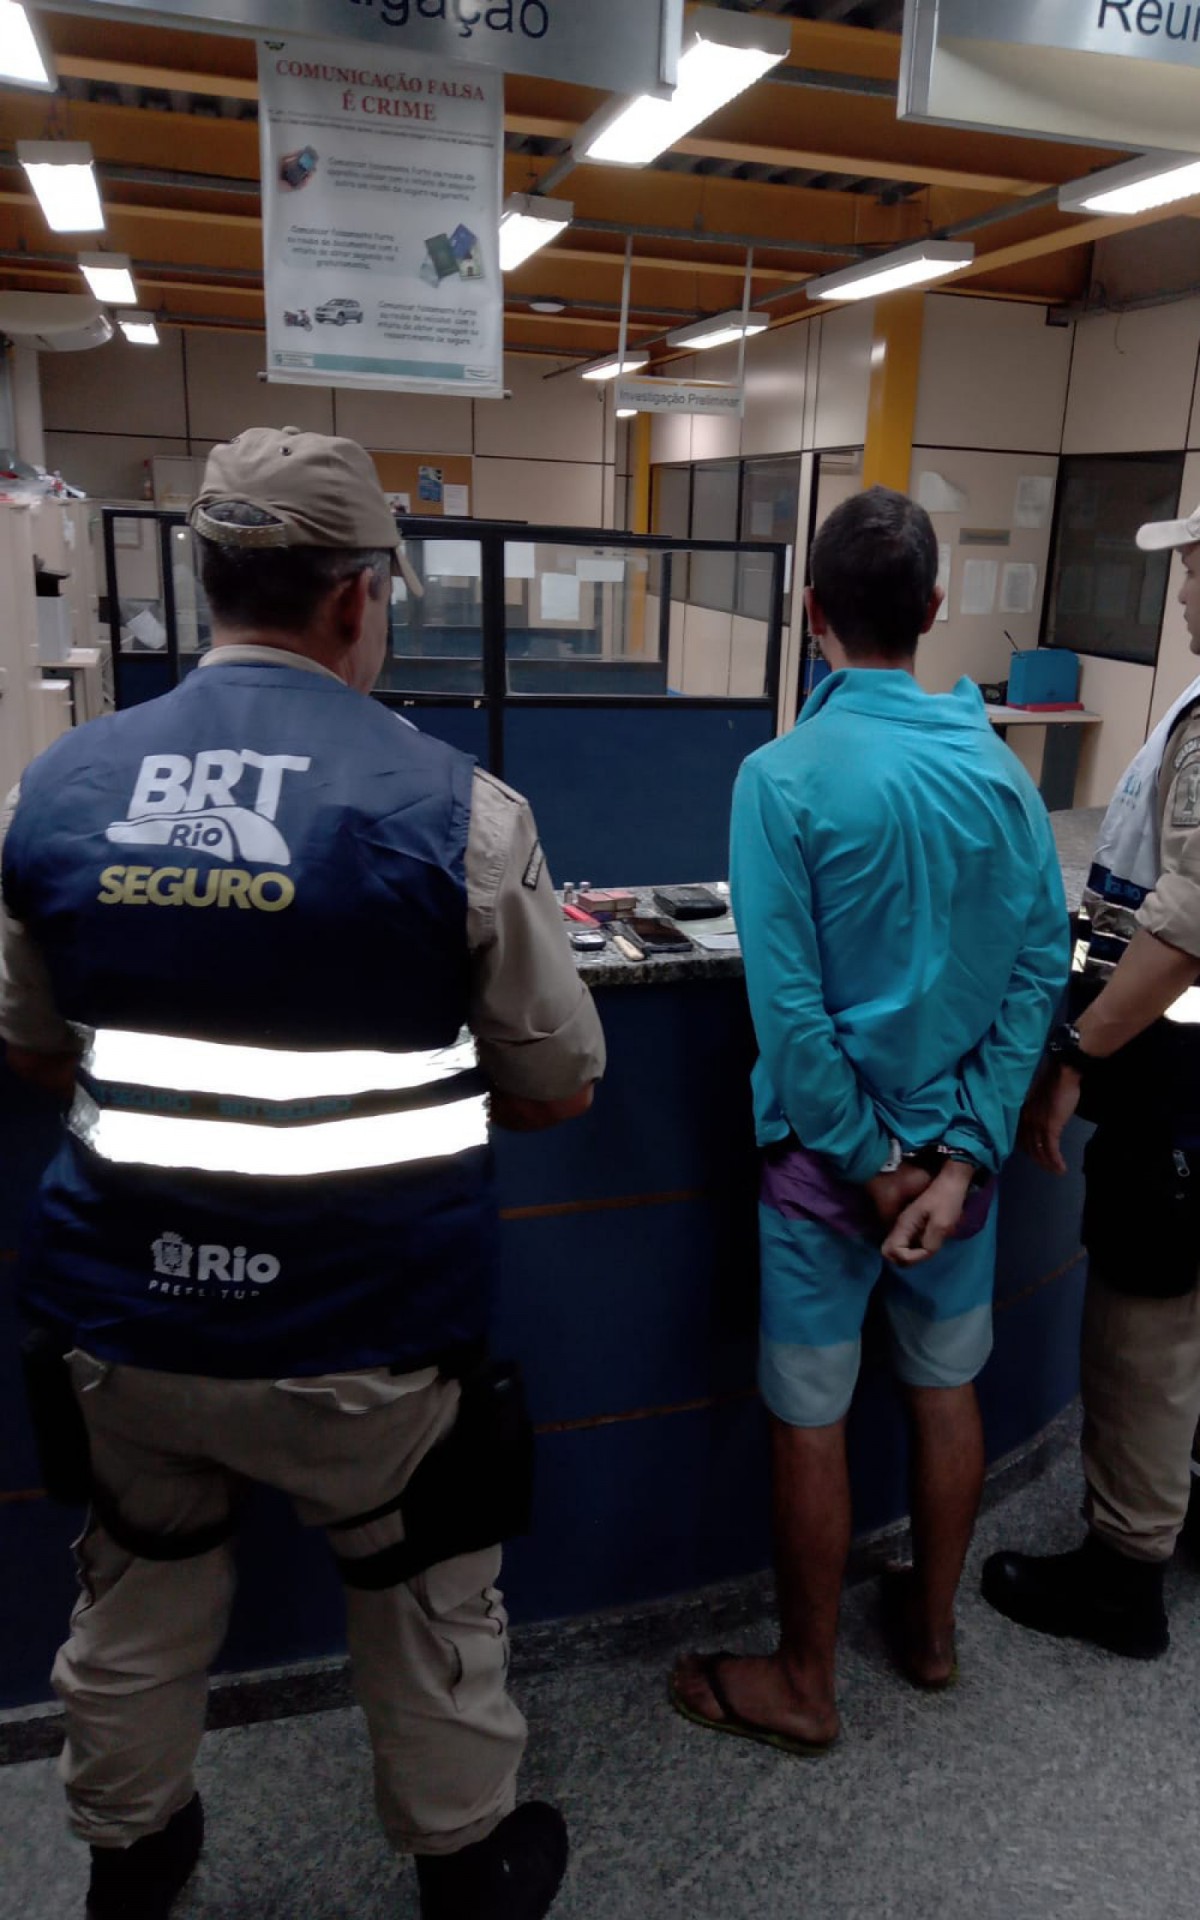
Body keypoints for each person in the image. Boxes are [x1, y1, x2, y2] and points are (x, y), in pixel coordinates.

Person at [0, 426, 605, 1920]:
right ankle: (465, 1868)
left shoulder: (57, 788)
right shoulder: (458, 811)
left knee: (134, 1595)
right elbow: (558, 1085)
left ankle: (133, 1858)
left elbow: (35, 1054)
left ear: (208, 578)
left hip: (126, 1319)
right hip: (368, 1334)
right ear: (355, 597)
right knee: (426, 1599)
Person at [671, 485, 1068, 1754]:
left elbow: (790, 1016)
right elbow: (1036, 976)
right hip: (957, 1178)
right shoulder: (1002, 781)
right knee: (948, 1392)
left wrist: (871, 1162)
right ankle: (934, 1637)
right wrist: (958, 1158)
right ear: (935, 609)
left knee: (812, 1413)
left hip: (825, 1174)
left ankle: (805, 1681)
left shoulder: (779, 778)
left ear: (810, 613)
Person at [983, 505, 1200, 1660]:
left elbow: (1186, 924)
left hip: (1179, 1086)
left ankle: (1124, 1571)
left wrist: (1076, 1051)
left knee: (1144, 1330)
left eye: (1194, 569)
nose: (1182, 592)